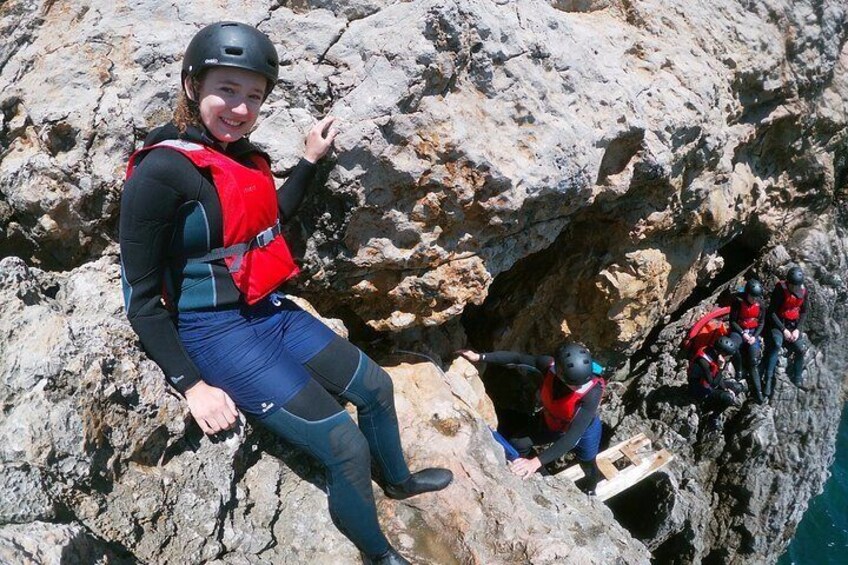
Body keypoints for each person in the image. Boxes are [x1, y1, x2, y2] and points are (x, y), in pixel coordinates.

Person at [119, 21, 451, 565]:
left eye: (253, 96)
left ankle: (398, 481)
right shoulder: (160, 172)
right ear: (191, 86)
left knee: (375, 387)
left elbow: (274, 216)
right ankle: (380, 555)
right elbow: (140, 298)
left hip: (267, 312)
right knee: (344, 445)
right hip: (214, 333)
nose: (241, 108)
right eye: (226, 90)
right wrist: (191, 385)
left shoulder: (241, 159)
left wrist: (311, 159)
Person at [458, 343, 605, 495]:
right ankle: (538, 474)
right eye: (573, 384)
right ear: (560, 374)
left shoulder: (592, 393)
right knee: (518, 443)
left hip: (584, 430)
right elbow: (517, 358)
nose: (578, 387)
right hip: (551, 421)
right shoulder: (548, 366)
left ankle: (590, 489)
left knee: (587, 462)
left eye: (580, 384)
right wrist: (480, 357)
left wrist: (535, 462)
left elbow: (572, 437)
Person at [762, 266, 810, 398]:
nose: (795, 288)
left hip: (792, 325)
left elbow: (804, 312)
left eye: (797, 286)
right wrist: (783, 330)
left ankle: (797, 377)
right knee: (776, 345)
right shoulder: (780, 290)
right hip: (778, 323)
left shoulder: (803, 291)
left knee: (800, 349)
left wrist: (797, 330)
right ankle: (768, 379)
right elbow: (771, 312)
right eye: (793, 285)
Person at [688, 335, 745, 431]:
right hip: (700, 391)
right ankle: (712, 417)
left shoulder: (713, 353)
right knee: (728, 398)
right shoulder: (703, 362)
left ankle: (716, 404)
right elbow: (713, 383)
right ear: (722, 353)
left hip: (708, 384)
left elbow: (715, 378)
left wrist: (726, 389)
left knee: (738, 387)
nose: (728, 358)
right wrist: (721, 368)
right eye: (727, 355)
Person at [727, 279, 766, 403]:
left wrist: (755, 336)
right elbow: (732, 321)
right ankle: (739, 370)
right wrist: (742, 333)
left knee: (753, 361)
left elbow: (761, 322)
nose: (754, 300)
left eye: (756, 297)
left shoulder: (761, 304)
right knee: (733, 347)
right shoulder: (738, 302)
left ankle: (758, 392)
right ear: (747, 293)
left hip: (753, 332)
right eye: (752, 297)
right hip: (739, 331)